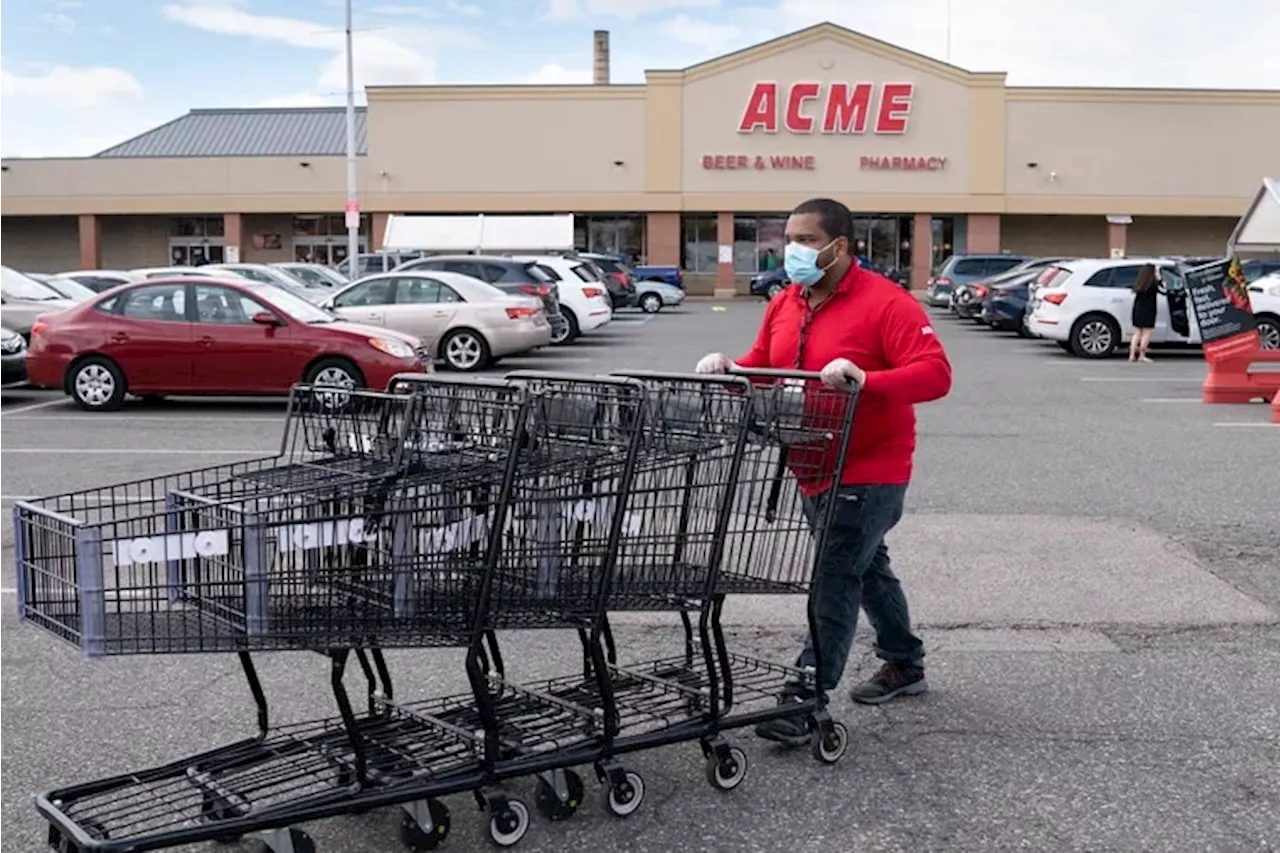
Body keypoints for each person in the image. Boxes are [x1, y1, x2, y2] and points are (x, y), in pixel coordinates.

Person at [695, 197, 952, 747]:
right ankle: (905, 661)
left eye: (806, 240)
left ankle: (804, 694)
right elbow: (766, 363)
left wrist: (866, 379)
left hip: (871, 467)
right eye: (789, 238)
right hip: (811, 462)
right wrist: (731, 370)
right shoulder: (787, 302)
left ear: (840, 245)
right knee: (866, 567)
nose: (793, 250)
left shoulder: (887, 303)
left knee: (835, 573)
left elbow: (935, 375)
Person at [1130, 264, 1161, 363]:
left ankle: (1131, 355)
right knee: (1147, 332)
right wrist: (1159, 279)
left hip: (1137, 309)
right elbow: (1162, 290)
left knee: (1137, 333)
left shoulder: (1139, 283)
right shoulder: (1153, 284)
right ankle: (1142, 356)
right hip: (1149, 310)